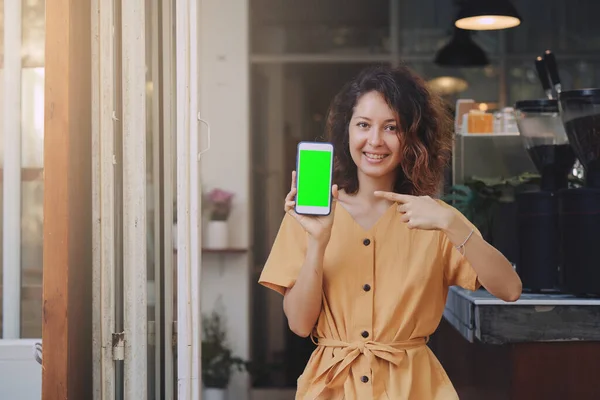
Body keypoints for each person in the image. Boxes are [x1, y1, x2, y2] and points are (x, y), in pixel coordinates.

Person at [258, 64, 522, 400]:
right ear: (346, 132)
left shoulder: (436, 218)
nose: (375, 141)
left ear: (413, 136)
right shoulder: (309, 218)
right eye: (363, 125)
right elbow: (299, 324)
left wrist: (451, 223)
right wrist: (318, 243)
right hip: (333, 390)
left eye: (391, 127)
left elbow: (510, 289)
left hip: (414, 389)